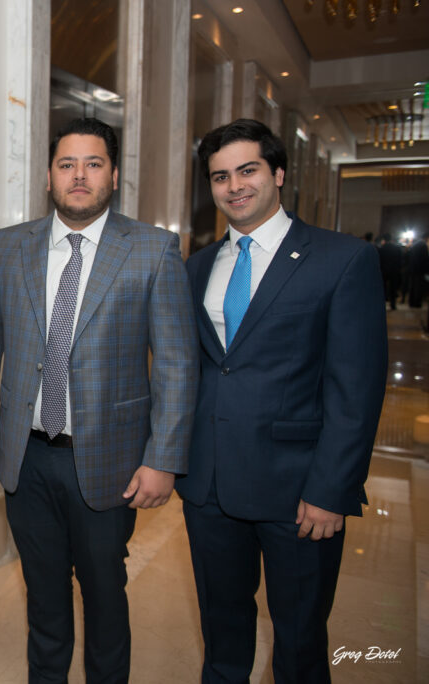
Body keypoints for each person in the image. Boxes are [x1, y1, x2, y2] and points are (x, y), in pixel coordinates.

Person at [0, 117, 198, 683]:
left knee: (105, 595)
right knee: (42, 593)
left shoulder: (153, 250)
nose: (79, 176)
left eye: (92, 164)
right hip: (27, 456)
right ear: (49, 177)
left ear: (113, 174)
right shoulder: (11, 246)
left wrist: (163, 458)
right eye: (67, 165)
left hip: (110, 460)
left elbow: (179, 365)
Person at [175, 118, 388, 683]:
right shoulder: (196, 267)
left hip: (299, 493)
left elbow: (356, 390)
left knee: (298, 640)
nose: (234, 186)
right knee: (221, 632)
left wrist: (330, 490)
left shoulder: (341, 260)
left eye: (247, 170)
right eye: (220, 176)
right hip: (210, 486)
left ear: (278, 174)